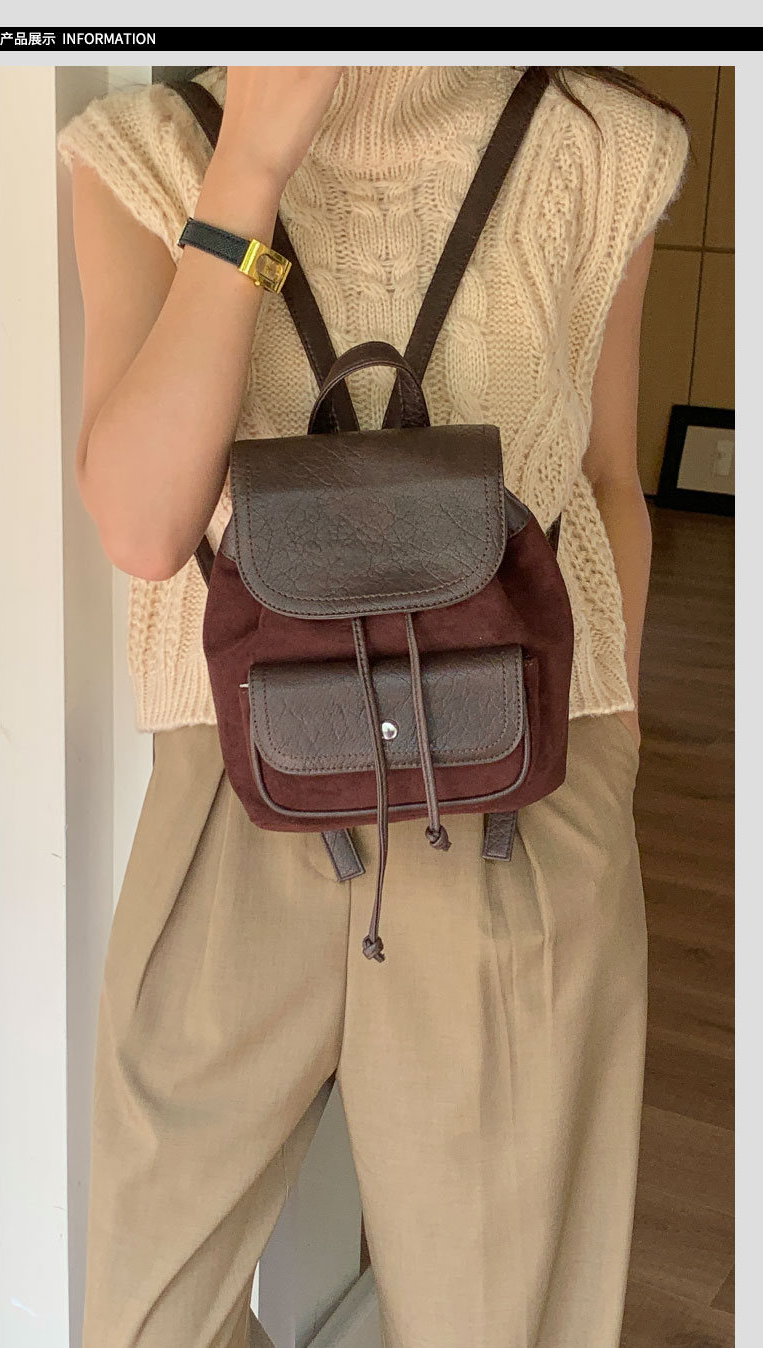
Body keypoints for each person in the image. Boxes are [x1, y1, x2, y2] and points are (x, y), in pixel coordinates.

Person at [56, 64, 689, 1348]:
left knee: (495, 1314)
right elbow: (143, 525)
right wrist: (249, 166)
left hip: (522, 784)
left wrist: (609, 734)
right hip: (232, 778)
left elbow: (609, 474)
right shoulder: (146, 148)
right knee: (146, 1313)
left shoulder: (601, 143)